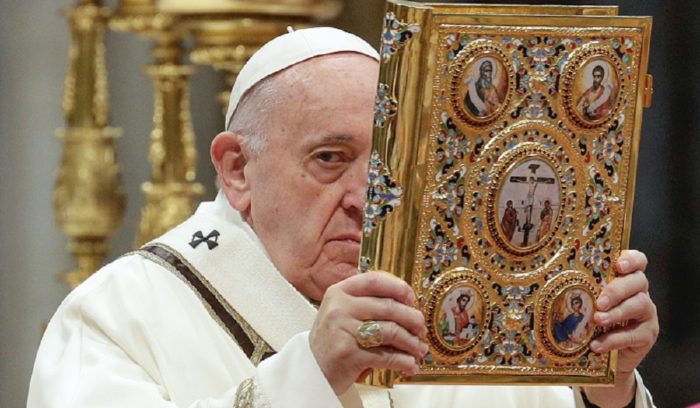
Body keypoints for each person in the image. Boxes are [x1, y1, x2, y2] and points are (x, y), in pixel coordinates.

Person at [28, 27, 658, 407]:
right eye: (330, 159)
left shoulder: (466, 311)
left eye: (390, 163)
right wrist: (310, 376)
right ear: (237, 170)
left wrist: (606, 391)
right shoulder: (120, 314)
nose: (368, 196)